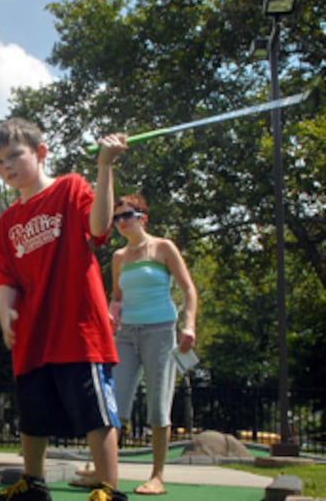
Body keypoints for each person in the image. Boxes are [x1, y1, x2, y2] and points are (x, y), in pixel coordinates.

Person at [0, 117, 129, 501]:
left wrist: (105, 166)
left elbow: (99, 226)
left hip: (78, 328)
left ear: (41, 153)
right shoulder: (8, 221)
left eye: (14, 155)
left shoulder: (70, 188)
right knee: (32, 414)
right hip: (33, 335)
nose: (7, 167)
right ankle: (32, 485)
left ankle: (106, 488)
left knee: (95, 412)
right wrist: (5, 314)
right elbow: (6, 276)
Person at [109, 194, 198, 495]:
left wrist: (189, 325)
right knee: (114, 405)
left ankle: (157, 475)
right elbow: (117, 298)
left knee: (159, 407)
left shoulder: (163, 248)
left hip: (160, 330)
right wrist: (111, 317)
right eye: (117, 218)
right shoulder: (119, 257)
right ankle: (105, 470)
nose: (121, 222)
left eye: (127, 215)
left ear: (143, 217)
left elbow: (188, 289)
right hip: (126, 335)